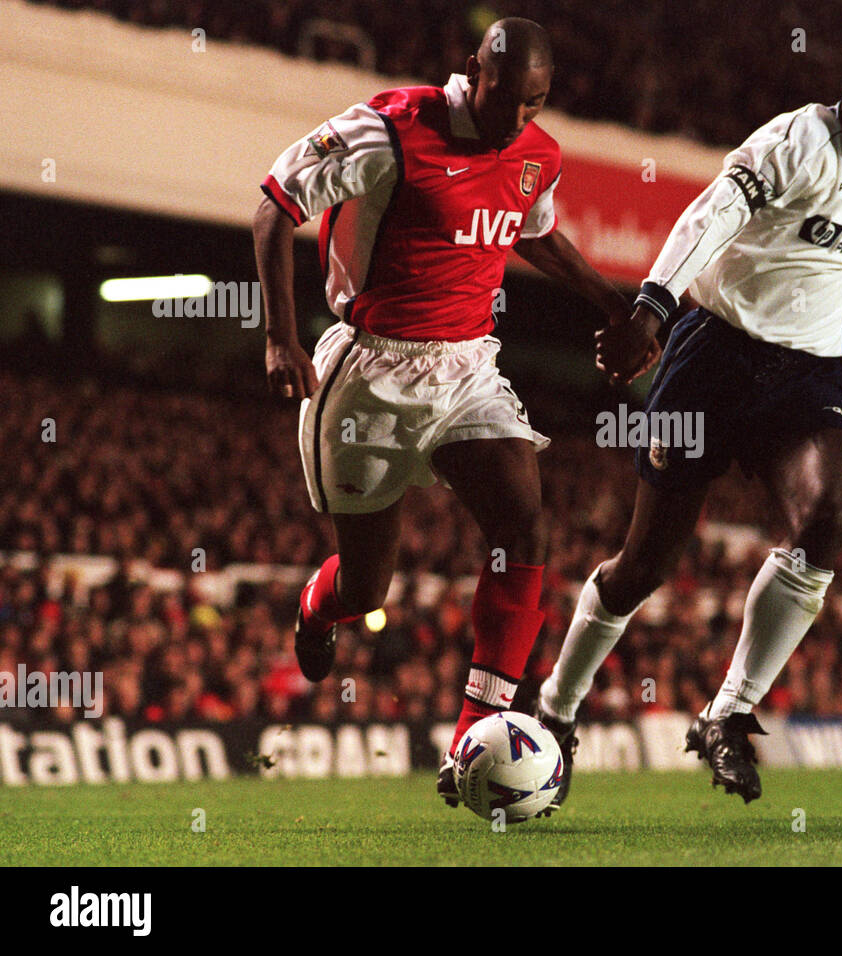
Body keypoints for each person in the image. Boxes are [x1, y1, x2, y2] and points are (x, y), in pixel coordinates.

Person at [536, 41, 842, 804]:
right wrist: (651, 307)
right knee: (642, 567)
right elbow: (713, 211)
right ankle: (556, 710)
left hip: (807, 373)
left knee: (828, 515)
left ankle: (727, 711)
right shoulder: (796, 141)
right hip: (712, 357)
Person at [252, 17, 630, 811]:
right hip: (368, 375)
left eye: (536, 103)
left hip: (466, 366)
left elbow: (540, 236)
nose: (519, 118)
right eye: (508, 98)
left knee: (526, 527)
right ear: (472, 71)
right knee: (369, 585)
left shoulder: (537, 157)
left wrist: (608, 302)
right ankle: (320, 610)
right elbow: (272, 210)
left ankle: (478, 728)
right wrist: (281, 341)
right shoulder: (390, 128)